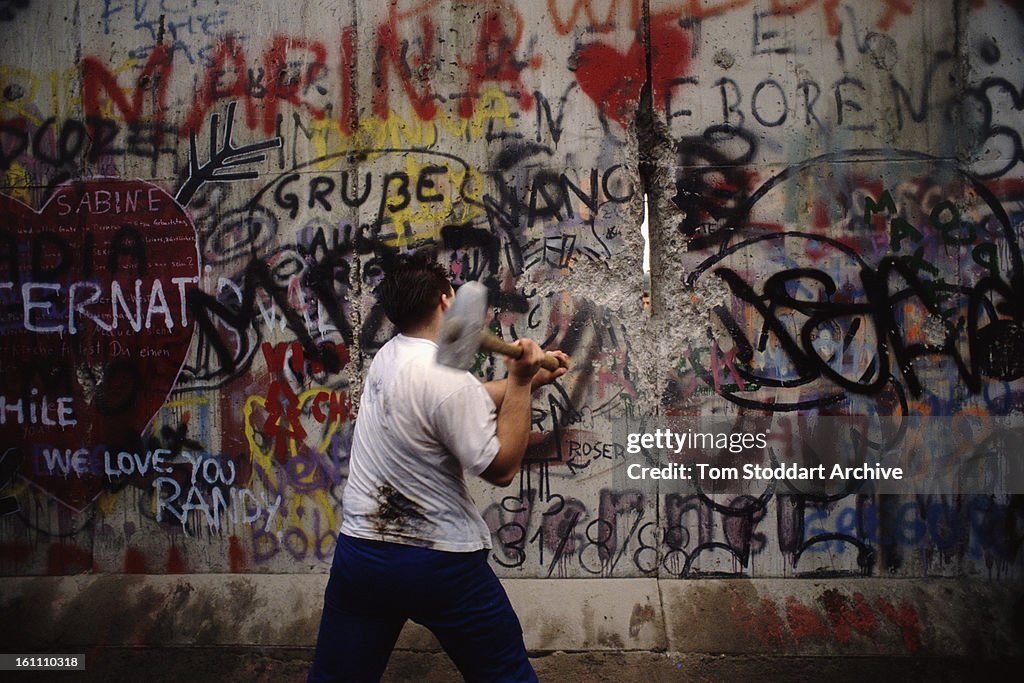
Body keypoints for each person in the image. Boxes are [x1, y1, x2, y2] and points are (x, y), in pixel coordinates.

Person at [309, 253, 570, 682]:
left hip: (363, 554)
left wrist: (533, 379)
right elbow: (501, 467)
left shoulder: (389, 357)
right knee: (505, 675)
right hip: (438, 561)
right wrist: (522, 383)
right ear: (446, 300)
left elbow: (455, 403)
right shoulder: (446, 378)